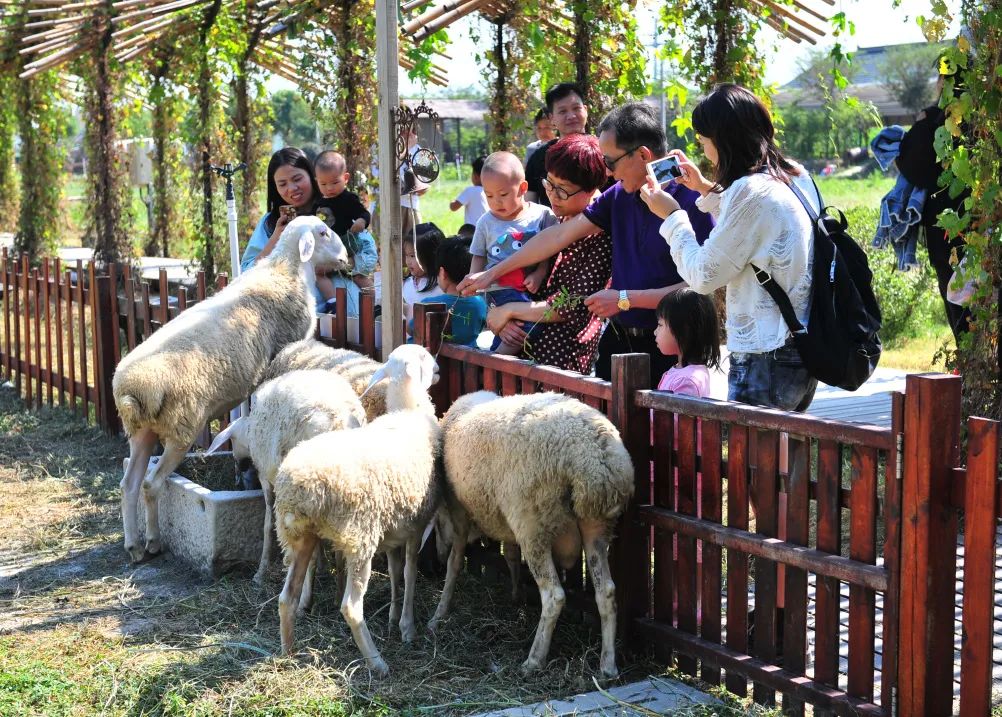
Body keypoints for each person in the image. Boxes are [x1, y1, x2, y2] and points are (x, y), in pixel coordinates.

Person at [460, 102, 714, 386]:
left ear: (642, 155)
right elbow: (558, 237)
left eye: (611, 162)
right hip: (619, 343)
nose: (608, 173)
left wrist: (624, 298)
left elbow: (701, 285)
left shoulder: (695, 201)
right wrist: (492, 274)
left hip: (672, 350)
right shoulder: (618, 195)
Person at [640, 83, 818, 411]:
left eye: (705, 142)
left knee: (754, 460)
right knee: (786, 456)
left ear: (723, 141)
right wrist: (703, 189)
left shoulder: (750, 192)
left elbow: (703, 275)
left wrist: (672, 216)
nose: (706, 152)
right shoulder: (794, 176)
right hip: (802, 346)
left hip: (766, 355)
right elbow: (758, 232)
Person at [484, 134, 612, 374]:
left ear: (591, 189)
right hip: (522, 350)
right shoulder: (551, 219)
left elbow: (570, 306)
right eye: (549, 184)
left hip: (560, 359)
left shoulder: (602, 238)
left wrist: (509, 311)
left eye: (562, 190)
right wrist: (501, 318)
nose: (552, 195)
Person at [895, 69, 972, 344]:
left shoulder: (935, 123)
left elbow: (909, 165)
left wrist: (922, 122)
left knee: (958, 301)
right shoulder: (984, 121)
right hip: (980, 225)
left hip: (947, 231)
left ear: (946, 83)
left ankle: (972, 369)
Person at [469, 151, 558, 355]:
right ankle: (498, 362)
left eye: (503, 195)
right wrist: (474, 280)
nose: (496, 202)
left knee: (519, 328)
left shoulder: (541, 215)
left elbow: (548, 251)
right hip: (498, 290)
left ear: (523, 188)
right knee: (523, 329)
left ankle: (494, 363)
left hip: (530, 289)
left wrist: (539, 273)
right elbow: (479, 256)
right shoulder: (485, 222)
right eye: (489, 195)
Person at [312, 150, 378, 302]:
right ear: (317, 181)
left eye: (335, 182)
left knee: (358, 277)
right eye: (323, 184)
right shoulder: (318, 203)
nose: (329, 188)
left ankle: (375, 303)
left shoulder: (348, 199)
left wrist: (361, 221)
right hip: (328, 248)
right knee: (320, 273)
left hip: (348, 245)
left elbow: (364, 214)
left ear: (345, 178)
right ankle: (333, 302)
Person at [524, 83, 589, 206]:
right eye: (562, 111)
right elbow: (529, 205)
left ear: (585, 110)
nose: (571, 116)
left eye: (576, 108)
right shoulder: (539, 158)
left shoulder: (603, 151)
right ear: (551, 118)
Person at [416, 237, 487, 348]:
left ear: (442, 273)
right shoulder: (480, 303)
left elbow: (413, 329)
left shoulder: (429, 304)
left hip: (435, 361)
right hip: (470, 361)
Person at [654, 289, 720, 398]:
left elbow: (678, 415)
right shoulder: (681, 371)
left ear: (684, 330)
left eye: (660, 325)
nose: (655, 331)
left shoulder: (686, 381)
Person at [402, 222, 445, 331]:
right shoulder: (406, 283)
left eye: (413, 256)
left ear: (430, 257)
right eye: (406, 255)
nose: (408, 261)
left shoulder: (440, 286)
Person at [449, 155, 489, 228]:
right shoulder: (492, 192)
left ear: (476, 176)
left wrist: (452, 201)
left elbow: (454, 207)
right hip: (487, 231)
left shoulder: (470, 191)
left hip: (471, 232)